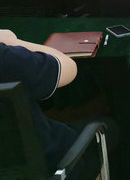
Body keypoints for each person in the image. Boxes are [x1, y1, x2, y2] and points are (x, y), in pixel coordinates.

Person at [0, 29, 79, 174]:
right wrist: (11, 41)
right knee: (110, 129)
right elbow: (68, 68)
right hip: (50, 164)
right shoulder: (5, 58)